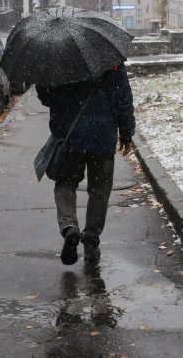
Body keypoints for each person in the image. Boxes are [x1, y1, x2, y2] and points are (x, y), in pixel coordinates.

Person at [36, 64, 136, 266]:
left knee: (65, 183)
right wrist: (126, 133)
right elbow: (123, 99)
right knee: (99, 190)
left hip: (69, 135)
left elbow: (47, 98)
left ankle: (69, 226)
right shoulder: (111, 61)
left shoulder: (58, 58)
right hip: (103, 136)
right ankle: (91, 243)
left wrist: (43, 81)